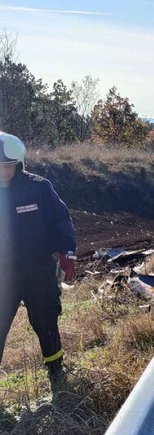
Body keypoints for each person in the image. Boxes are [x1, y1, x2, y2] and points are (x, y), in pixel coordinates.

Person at [0, 132, 76, 389]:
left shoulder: (39, 188)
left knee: (46, 322)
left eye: (7, 166)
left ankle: (56, 373)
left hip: (38, 270)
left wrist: (67, 252)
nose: (2, 172)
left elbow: (61, 221)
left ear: (19, 164)